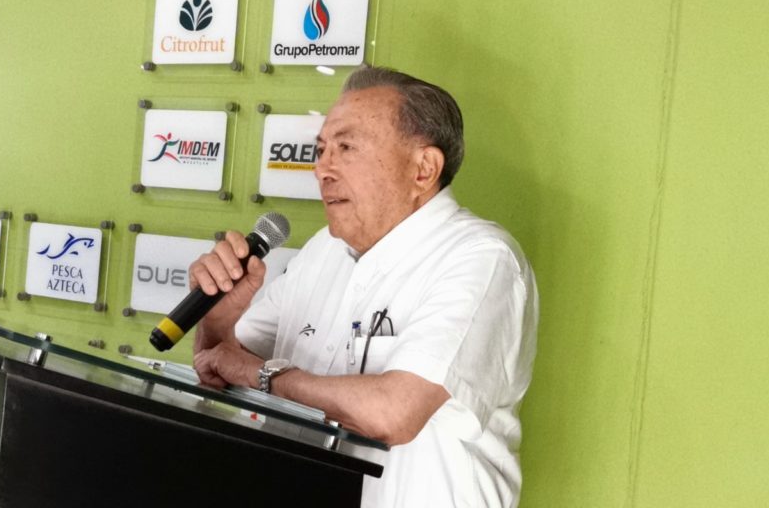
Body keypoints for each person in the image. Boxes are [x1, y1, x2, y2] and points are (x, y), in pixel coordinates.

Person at [190, 66, 539, 508]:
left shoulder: (482, 257)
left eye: (347, 147)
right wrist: (218, 320)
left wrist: (263, 375)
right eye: (320, 150)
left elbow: (393, 414)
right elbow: (221, 366)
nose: (322, 169)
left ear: (424, 168)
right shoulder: (323, 249)